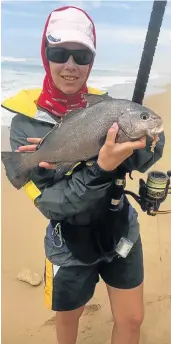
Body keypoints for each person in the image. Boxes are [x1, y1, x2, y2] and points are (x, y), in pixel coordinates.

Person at [2, 6, 165, 344]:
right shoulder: (24, 124)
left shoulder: (109, 106)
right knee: (68, 320)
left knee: (132, 319)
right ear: (45, 56)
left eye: (81, 55)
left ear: (92, 60)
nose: (71, 65)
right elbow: (54, 205)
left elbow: (139, 161)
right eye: (60, 53)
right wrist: (100, 166)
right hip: (68, 240)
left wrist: (149, 141)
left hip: (119, 225)